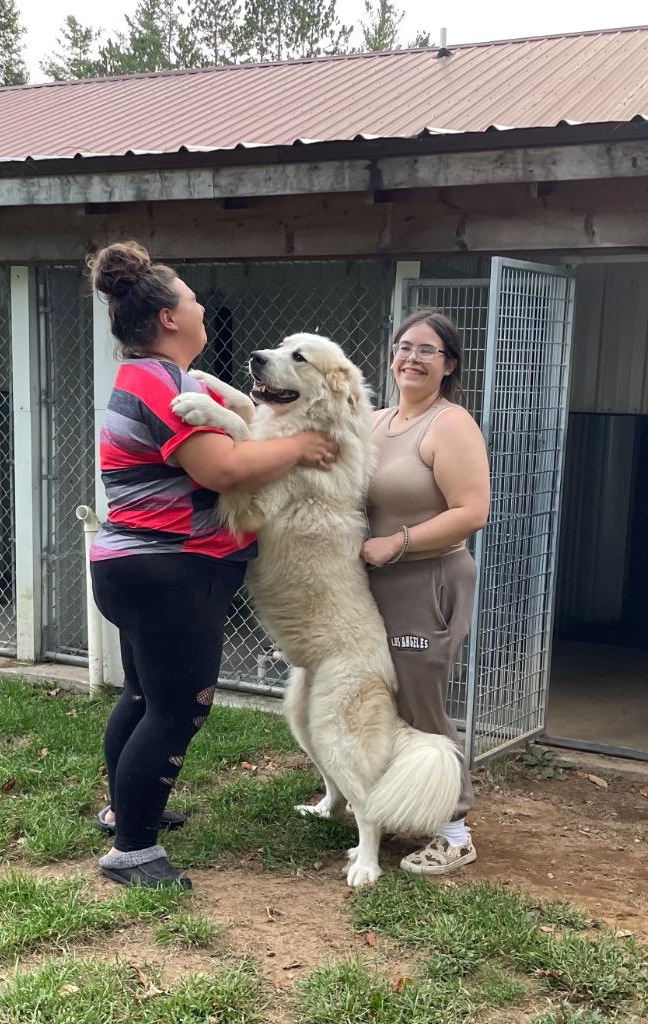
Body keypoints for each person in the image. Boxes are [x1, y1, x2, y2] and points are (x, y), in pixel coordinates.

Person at [87, 241, 337, 890]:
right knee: (179, 709)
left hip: (134, 564)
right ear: (169, 318)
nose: (201, 307)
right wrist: (301, 445)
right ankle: (132, 853)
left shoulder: (152, 376)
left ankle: (126, 811)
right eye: (193, 299)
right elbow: (219, 468)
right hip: (170, 569)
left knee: (145, 696)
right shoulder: (159, 379)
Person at [362, 309, 490, 875]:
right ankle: (403, 806)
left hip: (427, 579)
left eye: (428, 351)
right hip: (372, 585)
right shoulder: (375, 421)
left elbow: (473, 511)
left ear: (449, 365)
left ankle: (455, 830)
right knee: (382, 701)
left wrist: (399, 542)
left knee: (422, 703)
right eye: (404, 346)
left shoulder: (450, 423)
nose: (411, 358)